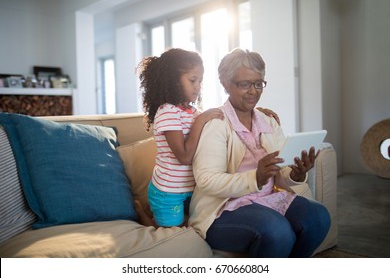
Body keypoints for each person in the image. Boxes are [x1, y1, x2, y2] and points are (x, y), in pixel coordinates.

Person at [188, 48, 331, 257]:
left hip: (268, 200)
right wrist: (256, 177)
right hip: (224, 209)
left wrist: (297, 173)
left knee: (318, 217)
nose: (253, 91)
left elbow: (281, 171)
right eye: (244, 84)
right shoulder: (217, 124)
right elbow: (207, 180)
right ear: (226, 85)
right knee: (278, 231)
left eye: (258, 83)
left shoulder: (269, 121)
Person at [135, 48, 279, 228]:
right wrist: (201, 120)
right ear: (173, 81)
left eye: (200, 81)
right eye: (192, 80)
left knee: (188, 224)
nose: (197, 86)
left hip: (189, 189)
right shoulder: (167, 112)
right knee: (171, 232)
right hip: (169, 191)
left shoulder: (192, 112)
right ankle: (141, 211)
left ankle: (154, 210)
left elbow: (220, 115)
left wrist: (257, 112)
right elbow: (184, 157)